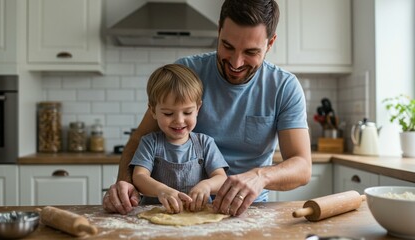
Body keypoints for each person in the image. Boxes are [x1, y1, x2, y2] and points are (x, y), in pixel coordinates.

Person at [103, 0, 311, 217]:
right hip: (173, 208)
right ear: (219, 29)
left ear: (270, 43)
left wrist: (260, 176)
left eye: (250, 52)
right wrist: (125, 184)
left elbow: (302, 167)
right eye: (227, 46)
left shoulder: (284, 87)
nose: (236, 63)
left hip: (248, 211)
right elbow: (140, 139)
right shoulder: (187, 72)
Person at [129, 64, 229, 214]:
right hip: (157, 213)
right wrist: (161, 190)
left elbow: (221, 178)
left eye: (187, 112)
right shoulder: (150, 142)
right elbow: (139, 177)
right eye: (168, 113)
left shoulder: (205, 143)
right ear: (153, 111)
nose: (179, 120)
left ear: (198, 108)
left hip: (197, 213)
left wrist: (206, 185)